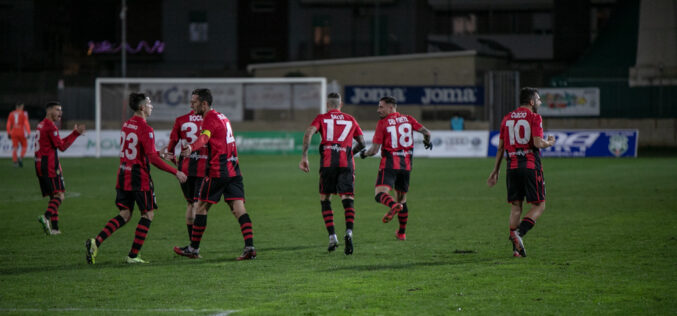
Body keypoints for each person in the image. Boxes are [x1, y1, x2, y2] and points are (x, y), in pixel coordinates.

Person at [85, 93, 187, 264]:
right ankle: (133, 255)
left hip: (124, 173)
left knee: (125, 214)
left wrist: (156, 153)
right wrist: (175, 172)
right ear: (142, 107)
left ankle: (96, 242)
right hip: (139, 177)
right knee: (148, 214)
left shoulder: (127, 124)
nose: (151, 106)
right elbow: (152, 159)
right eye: (149, 103)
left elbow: (142, 152)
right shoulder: (146, 129)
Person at [173, 88, 257, 261]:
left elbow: (204, 138)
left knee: (201, 207)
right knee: (238, 208)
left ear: (204, 103)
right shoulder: (223, 117)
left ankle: (193, 249)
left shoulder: (209, 118)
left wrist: (191, 147)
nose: (191, 104)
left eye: (194, 101)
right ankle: (249, 247)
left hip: (218, 170)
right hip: (234, 169)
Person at [487, 87, 556, 257]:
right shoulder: (534, 117)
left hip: (512, 167)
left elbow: (501, 147)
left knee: (516, 206)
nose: (540, 103)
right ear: (532, 102)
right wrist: (549, 142)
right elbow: (538, 142)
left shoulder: (507, 118)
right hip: (530, 165)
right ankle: (519, 234)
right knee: (539, 205)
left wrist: (495, 171)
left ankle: (516, 250)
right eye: (539, 100)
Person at [299, 92, 365, 255]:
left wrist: (304, 157)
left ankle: (332, 237)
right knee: (347, 199)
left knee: (325, 198)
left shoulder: (321, 118)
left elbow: (308, 133)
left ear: (328, 105)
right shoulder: (350, 119)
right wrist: (350, 153)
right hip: (346, 163)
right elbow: (362, 143)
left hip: (328, 164)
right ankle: (349, 233)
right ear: (340, 105)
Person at [359, 96, 432, 240]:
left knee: (379, 194)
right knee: (402, 199)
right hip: (406, 166)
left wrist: (364, 154)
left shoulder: (383, 123)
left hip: (390, 164)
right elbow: (427, 133)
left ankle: (393, 205)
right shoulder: (408, 119)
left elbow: (374, 150)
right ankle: (402, 233)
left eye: (381, 107)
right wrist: (426, 142)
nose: (378, 110)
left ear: (391, 107)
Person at [163, 99, 208, 249]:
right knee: (198, 205)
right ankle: (194, 246)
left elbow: (171, 148)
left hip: (185, 168)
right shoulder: (208, 119)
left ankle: (192, 244)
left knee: (190, 204)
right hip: (203, 167)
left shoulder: (181, 120)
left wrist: (174, 160)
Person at [35, 101, 85, 235]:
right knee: (60, 196)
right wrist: (75, 134)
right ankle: (46, 217)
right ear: (49, 110)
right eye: (57, 110)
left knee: (53, 196)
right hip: (49, 165)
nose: (60, 113)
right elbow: (62, 147)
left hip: (40, 163)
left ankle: (55, 228)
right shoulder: (50, 127)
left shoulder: (41, 125)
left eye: (61, 110)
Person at [7, 102, 31, 167]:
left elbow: (9, 124)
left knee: (15, 148)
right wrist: (28, 132)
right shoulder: (23, 114)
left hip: (14, 132)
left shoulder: (11, 114)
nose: (23, 108)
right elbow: (26, 123)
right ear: (20, 107)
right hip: (21, 132)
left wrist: (9, 132)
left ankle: (15, 162)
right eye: (22, 107)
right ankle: (20, 157)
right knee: (25, 146)